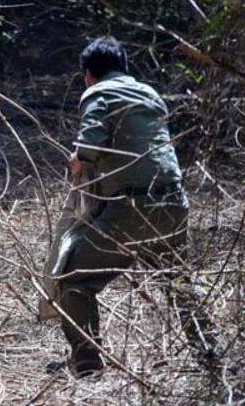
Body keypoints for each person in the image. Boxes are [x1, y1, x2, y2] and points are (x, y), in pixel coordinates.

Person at [43, 36, 213, 377]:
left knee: (71, 279)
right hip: (173, 203)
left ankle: (87, 365)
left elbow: (89, 147)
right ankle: (210, 354)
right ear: (123, 67)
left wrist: (77, 161)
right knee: (179, 284)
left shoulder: (97, 93)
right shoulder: (149, 93)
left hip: (130, 208)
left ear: (88, 74)